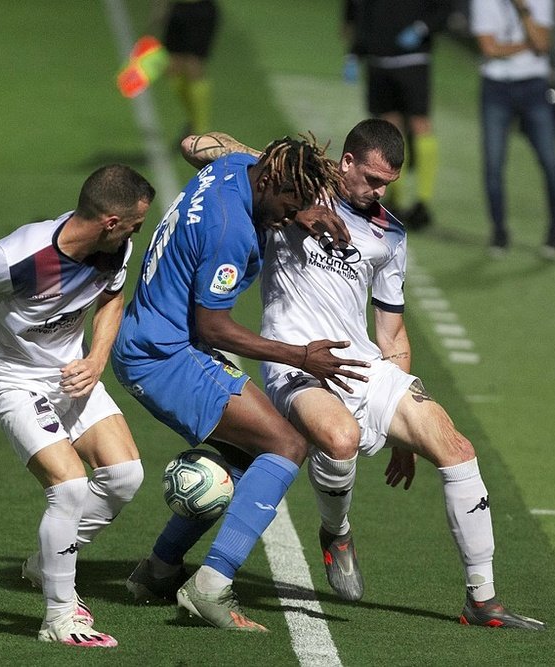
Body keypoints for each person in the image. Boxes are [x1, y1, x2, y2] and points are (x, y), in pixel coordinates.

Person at [126, 120, 545, 630]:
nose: (379, 191)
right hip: (293, 360)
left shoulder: (390, 233)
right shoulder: (292, 190)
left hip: (361, 362)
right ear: (345, 164)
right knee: (334, 439)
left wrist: (403, 438)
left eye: (388, 183)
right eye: (371, 178)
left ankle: (482, 600)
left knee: (455, 448)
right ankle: (336, 532)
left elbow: (391, 334)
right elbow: (194, 143)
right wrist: (293, 188)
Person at [111, 135, 368, 632]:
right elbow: (215, 327)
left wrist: (307, 210)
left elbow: (199, 145)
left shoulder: (238, 165)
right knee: (287, 444)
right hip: (164, 356)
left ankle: (159, 570)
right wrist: (300, 357)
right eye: (291, 200)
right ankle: (210, 586)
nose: (290, 213)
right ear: (271, 180)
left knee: (247, 454)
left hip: (154, 337)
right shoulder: (229, 230)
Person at [0, 165, 155, 648]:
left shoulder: (115, 246)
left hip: (70, 374)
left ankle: (45, 563)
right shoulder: (18, 256)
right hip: (11, 380)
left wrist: (97, 357)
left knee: (124, 477)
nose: (137, 232)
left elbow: (113, 298)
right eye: (135, 224)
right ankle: (59, 617)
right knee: (70, 485)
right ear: (109, 221)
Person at [343, 0, 452, 229]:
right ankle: (395, 200)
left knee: (419, 124)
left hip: (413, 60)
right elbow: (358, 11)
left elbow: (444, 7)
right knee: (389, 129)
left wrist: (422, 27)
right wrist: (355, 50)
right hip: (378, 59)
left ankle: (423, 202)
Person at [470, 0, 555, 260]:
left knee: (551, 162)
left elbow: (543, 43)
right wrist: (526, 47)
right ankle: (499, 233)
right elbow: (488, 47)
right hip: (495, 89)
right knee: (493, 165)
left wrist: (523, 10)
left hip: (534, 88)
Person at [154, 0, 220, 135]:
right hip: (178, 8)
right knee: (173, 67)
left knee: (193, 66)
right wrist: (159, 8)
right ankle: (193, 119)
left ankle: (201, 128)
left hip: (201, 10)